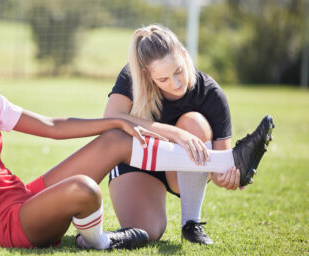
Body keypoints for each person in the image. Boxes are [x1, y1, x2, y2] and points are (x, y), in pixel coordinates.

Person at [0, 43, 273, 250]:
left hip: (19, 199)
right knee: (84, 190)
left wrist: (118, 120)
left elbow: (53, 127)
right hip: (0, 224)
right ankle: (99, 242)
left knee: (113, 140)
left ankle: (228, 159)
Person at [104, 24, 274, 244]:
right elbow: (110, 119)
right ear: (147, 74)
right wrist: (175, 134)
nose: (175, 84)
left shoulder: (210, 94)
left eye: (178, 71)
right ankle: (99, 240)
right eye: (163, 80)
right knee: (147, 232)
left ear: (184, 55)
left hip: (180, 171)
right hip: (137, 163)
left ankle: (191, 223)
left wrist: (230, 175)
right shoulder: (133, 75)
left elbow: (217, 174)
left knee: (193, 122)